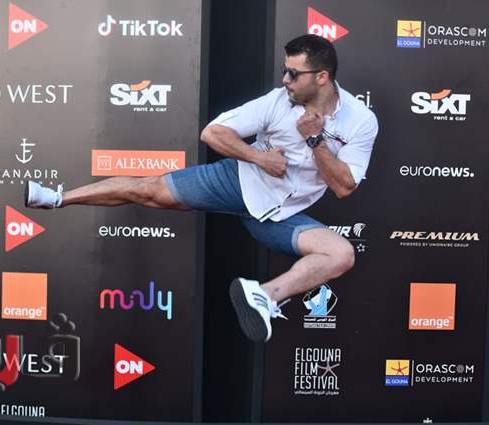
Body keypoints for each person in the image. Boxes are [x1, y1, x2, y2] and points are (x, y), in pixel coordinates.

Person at [24, 34, 378, 343]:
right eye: (284, 71)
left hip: (282, 213)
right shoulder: (276, 102)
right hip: (238, 182)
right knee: (149, 189)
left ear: (321, 77)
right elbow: (213, 133)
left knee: (341, 254)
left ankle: (264, 296)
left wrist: (315, 140)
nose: (285, 79)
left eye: (293, 74)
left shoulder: (360, 120)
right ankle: (57, 198)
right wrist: (259, 158)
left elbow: (344, 187)